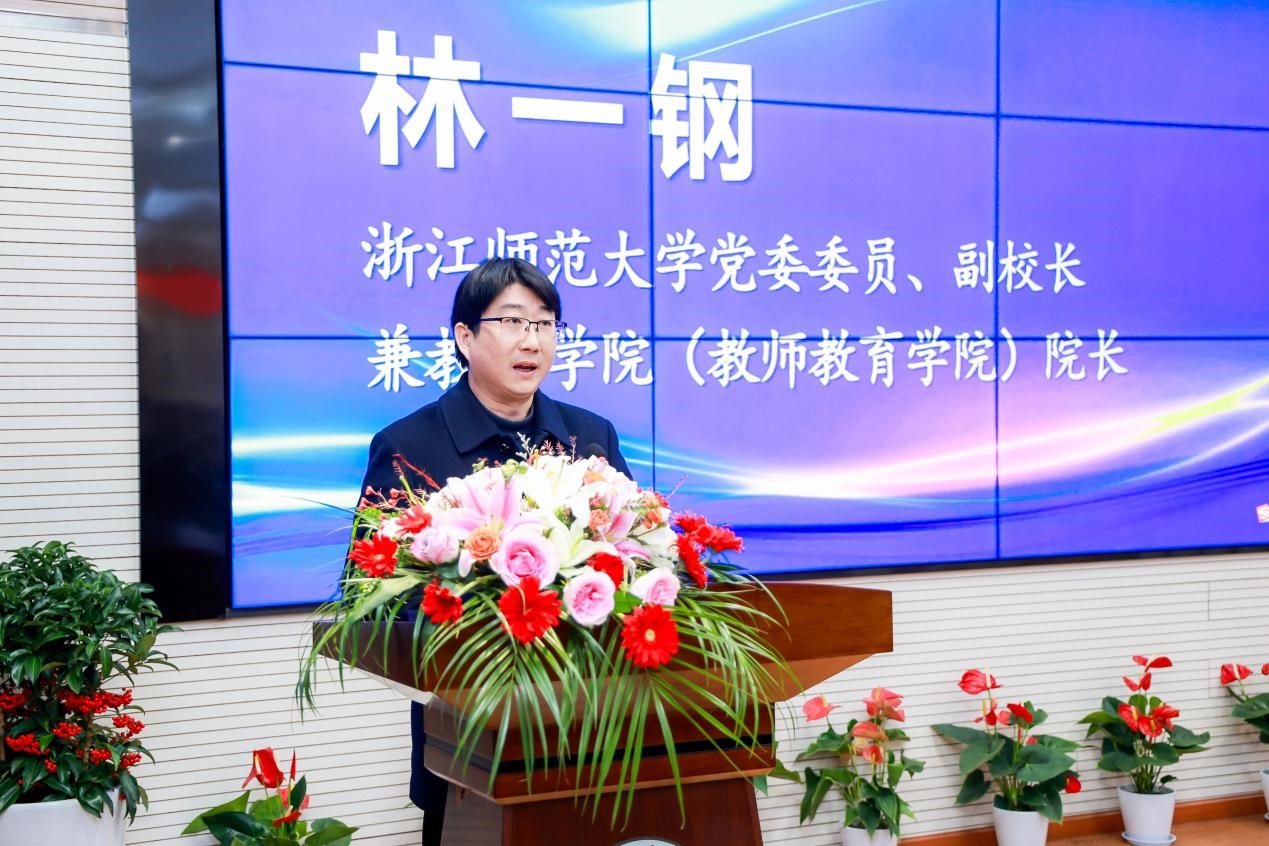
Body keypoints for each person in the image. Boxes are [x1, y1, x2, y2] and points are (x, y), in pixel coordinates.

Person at [357, 257, 631, 846]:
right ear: (464, 336)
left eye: (545, 323)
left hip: (590, 733)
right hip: (469, 745)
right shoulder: (408, 446)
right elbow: (373, 599)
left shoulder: (592, 437)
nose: (532, 340)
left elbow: (631, 562)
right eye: (511, 321)